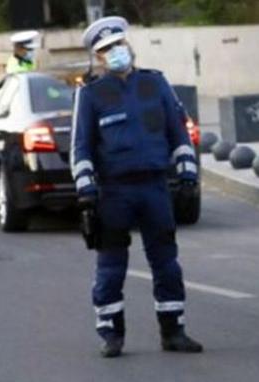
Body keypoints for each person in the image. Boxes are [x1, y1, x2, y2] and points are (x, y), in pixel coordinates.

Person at [71, 16, 203, 358]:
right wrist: (86, 191)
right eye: (106, 50)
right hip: (114, 193)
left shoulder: (156, 84)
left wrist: (188, 175)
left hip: (155, 188)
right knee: (111, 267)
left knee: (167, 263)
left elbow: (179, 133)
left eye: (118, 45)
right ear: (98, 58)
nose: (114, 53)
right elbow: (81, 147)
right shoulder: (91, 94)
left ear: (128, 46)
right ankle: (111, 335)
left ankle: (173, 331)